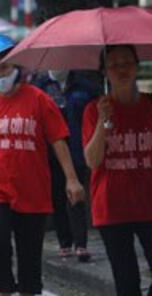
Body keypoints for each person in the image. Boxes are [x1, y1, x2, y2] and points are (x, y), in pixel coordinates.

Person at [0, 34, 84, 296]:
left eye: (4, 67)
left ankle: (28, 290)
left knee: (29, 257)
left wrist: (71, 178)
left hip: (33, 191)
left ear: (16, 67)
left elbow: (58, 140)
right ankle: (3, 288)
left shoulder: (39, 99)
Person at [82, 44, 152, 296]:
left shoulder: (149, 105)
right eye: (114, 64)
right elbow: (92, 160)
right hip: (112, 207)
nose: (122, 69)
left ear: (137, 66)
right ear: (104, 72)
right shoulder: (94, 110)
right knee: (127, 281)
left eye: (127, 63)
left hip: (148, 203)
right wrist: (103, 122)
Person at [33, 70, 99, 261]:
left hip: (77, 147)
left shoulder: (83, 85)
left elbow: (95, 103)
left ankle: (81, 243)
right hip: (50, 150)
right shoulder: (40, 86)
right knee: (57, 197)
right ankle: (65, 241)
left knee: (77, 195)